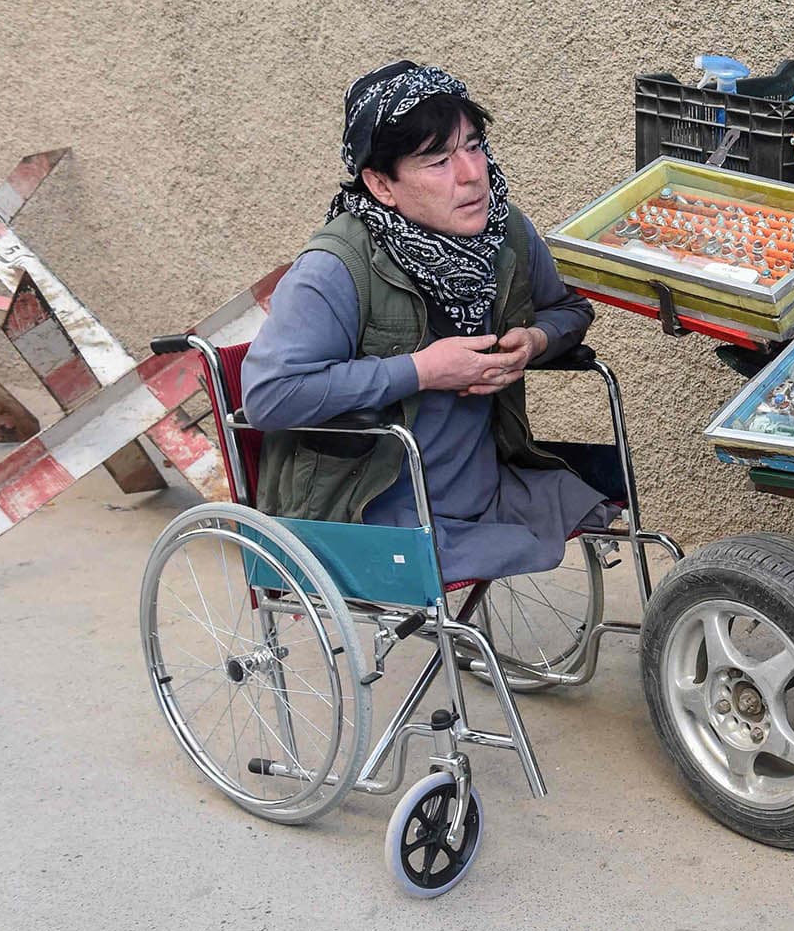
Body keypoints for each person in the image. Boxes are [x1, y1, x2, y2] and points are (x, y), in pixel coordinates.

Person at [242, 61, 614, 583]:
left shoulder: (503, 233)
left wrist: (533, 340)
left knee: (603, 501)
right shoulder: (333, 268)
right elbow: (268, 396)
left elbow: (570, 309)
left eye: (475, 146)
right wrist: (420, 370)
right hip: (371, 512)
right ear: (381, 184)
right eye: (438, 161)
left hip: (485, 486)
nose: (471, 174)